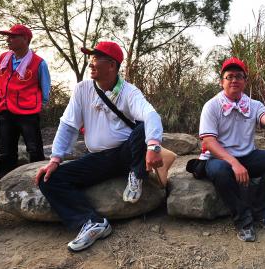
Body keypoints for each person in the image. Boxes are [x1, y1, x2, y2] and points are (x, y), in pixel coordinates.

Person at [35, 41, 175, 252]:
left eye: (95, 58)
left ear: (111, 65)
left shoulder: (129, 91)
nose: (91, 63)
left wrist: (153, 146)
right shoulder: (82, 89)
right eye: (90, 58)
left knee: (143, 126)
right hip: (100, 159)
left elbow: (151, 115)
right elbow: (68, 125)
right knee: (49, 180)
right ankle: (92, 222)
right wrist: (55, 159)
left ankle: (136, 174)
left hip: (127, 154)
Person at [199, 57, 265, 242]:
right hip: (219, 158)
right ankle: (243, 221)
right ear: (222, 81)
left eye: (239, 76)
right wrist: (234, 163)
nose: (234, 80)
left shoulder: (253, 105)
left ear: (245, 81)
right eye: (229, 76)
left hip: (247, 155)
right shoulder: (212, 106)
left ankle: (261, 210)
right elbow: (208, 142)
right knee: (220, 171)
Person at [0, 24, 51, 179]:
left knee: (35, 150)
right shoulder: (2, 59)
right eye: (7, 36)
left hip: (28, 114)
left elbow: (45, 92)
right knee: (5, 152)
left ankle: (41, 183)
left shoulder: (39, 63)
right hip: (5, 111)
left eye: (12, 37)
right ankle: (4, 184)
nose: (8, 40)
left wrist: (38, 108)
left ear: (25, 39)